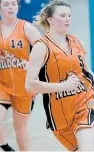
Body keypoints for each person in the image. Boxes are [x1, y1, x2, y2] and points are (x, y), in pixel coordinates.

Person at [25, 1, 94, 151]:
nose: (68, 19)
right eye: (63, 15)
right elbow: (29, 85)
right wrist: (63, 86)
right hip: (59, 114)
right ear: (50, 19)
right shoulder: (41, 47)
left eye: (69, 15)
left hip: (85, 104)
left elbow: (87, 73)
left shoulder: (77, 42)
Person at [0, 0, 42, 151]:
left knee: (20, 127)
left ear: (18, 6)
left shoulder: (26, 28)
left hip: (23, 85)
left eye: (13, 4)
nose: (10, 7)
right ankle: (4, 145)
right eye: (6, 4)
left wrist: (33, 64)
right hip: (2, 84)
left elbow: (45, 51)